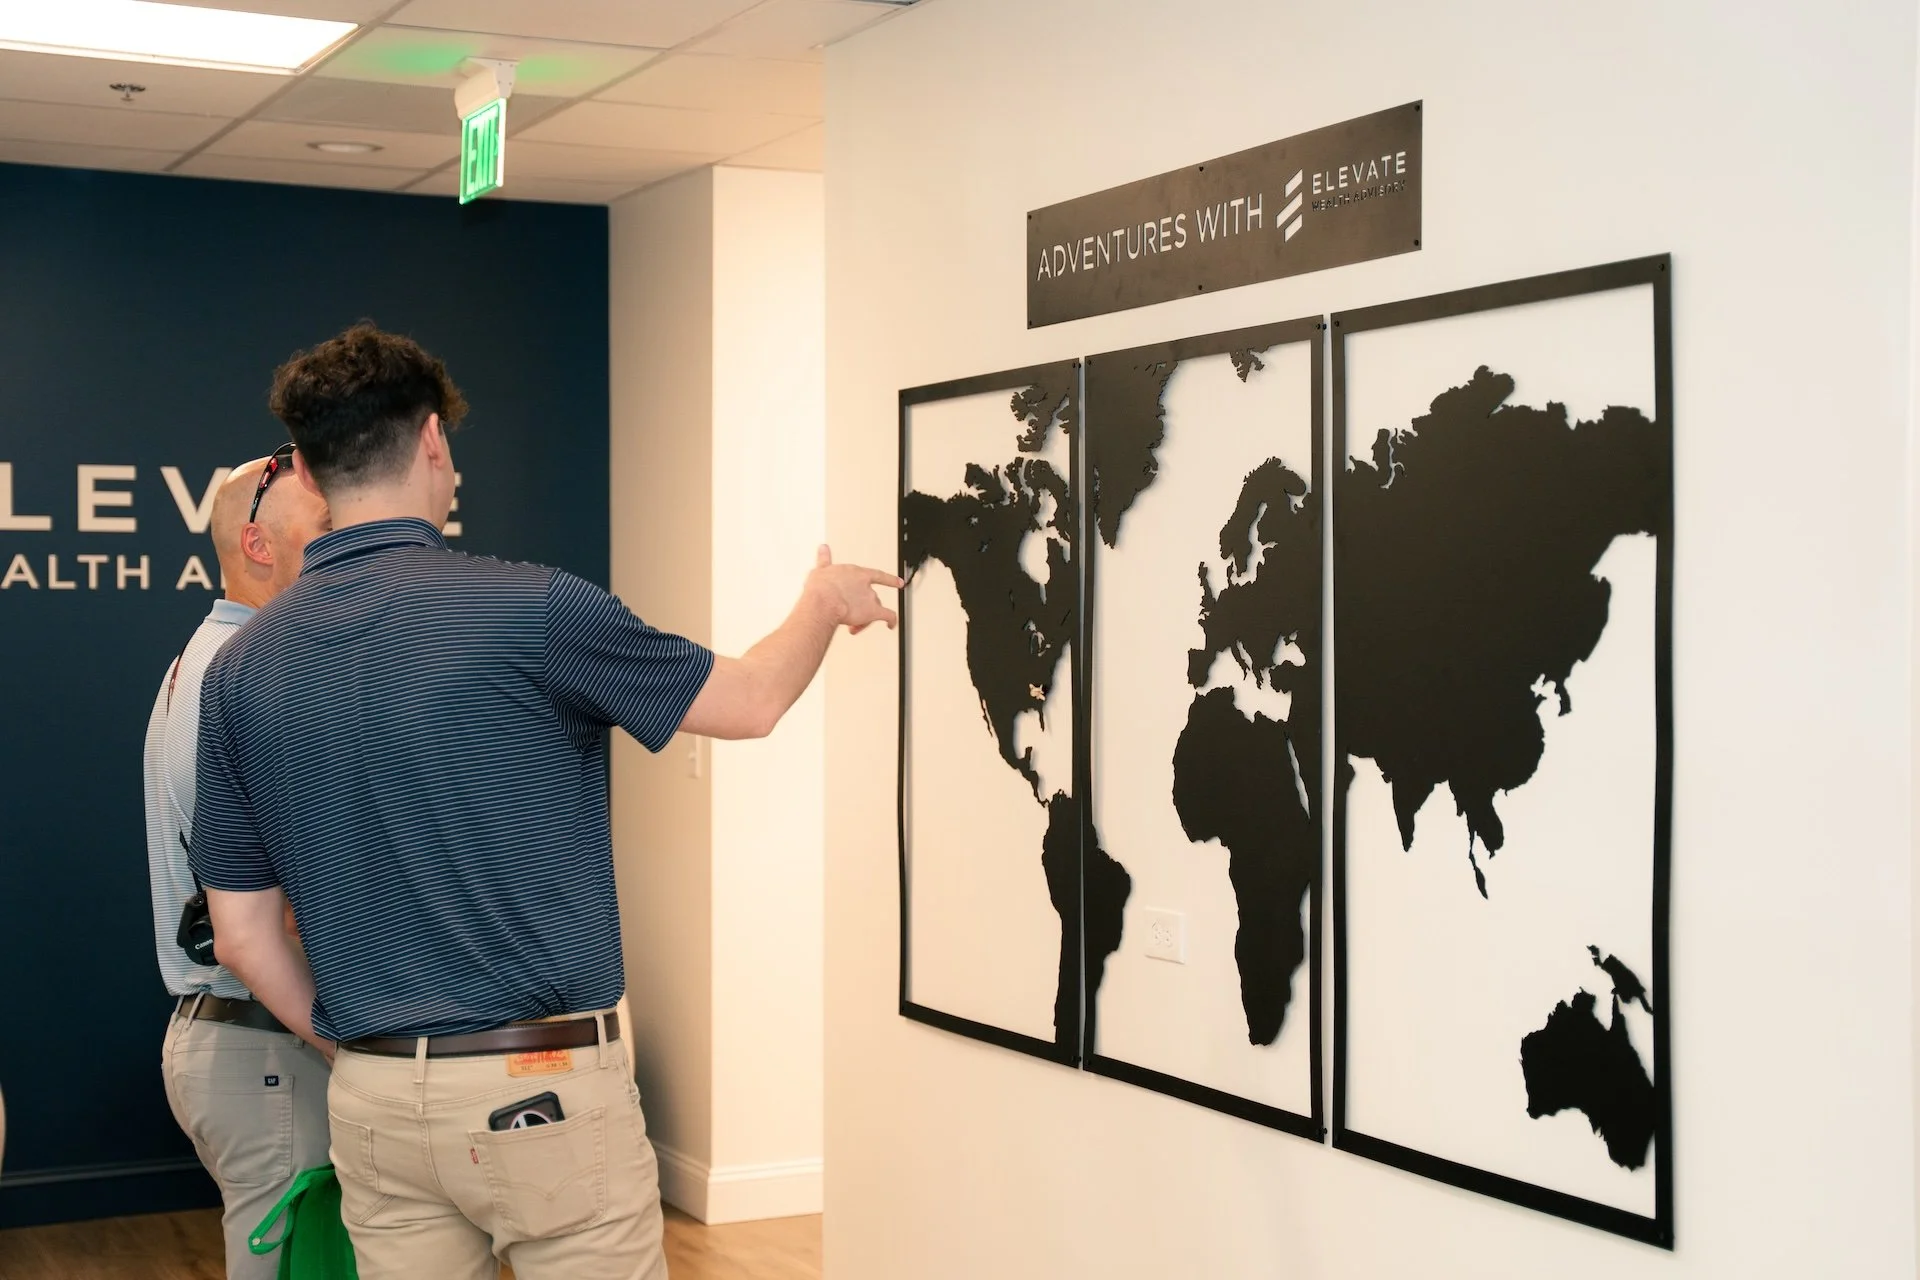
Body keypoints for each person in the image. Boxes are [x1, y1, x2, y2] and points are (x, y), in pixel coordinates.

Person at [190, 323, 899, 1280]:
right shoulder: (532, 607)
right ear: (433, 440)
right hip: (543, 1088)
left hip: (372, 1098)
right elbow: (751, 701)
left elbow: (242, 936)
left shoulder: (239, 670)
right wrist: (821, 602)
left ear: (310, 474)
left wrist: (362, 1052)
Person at [142, 448, 334, 1279]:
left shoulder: (212, 660)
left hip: (249, 1049)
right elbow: (269, 912)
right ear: (258, 545)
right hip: (269, 1052)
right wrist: (355, 1048)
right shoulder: (241, 675)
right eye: (326, 524)